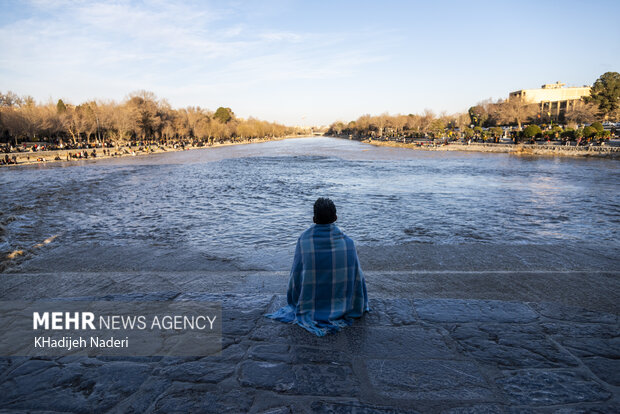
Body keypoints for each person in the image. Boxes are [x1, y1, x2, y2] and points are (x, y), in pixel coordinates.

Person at [265, 197, 369, 336]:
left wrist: (295, 300)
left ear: (314, 219)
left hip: (310, 302)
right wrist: (358, 303)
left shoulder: (304, 240)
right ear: (336, 217)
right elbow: (357, 279)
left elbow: (296, 276)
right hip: (342, 304)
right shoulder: (348, 243)